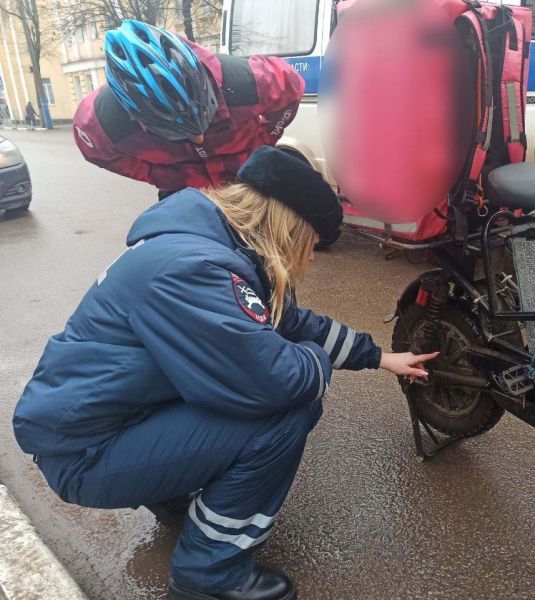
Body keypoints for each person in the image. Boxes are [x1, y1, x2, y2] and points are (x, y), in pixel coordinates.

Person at [13, 146, 436, 600]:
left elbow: (286, 320)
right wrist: (315, 359)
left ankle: (174, 495)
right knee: (285, 414)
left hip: (108, 423)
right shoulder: (193, 269)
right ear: (289, 228)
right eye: (312, 245)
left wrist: (377, 357)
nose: (311, 259)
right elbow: (275, 380)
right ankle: (209, 576)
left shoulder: (210, 243)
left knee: (235, 383)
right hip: (87, 453)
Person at [72, 19, 305, 201]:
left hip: (243, 183)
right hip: (181, 192)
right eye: (175, 131)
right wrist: (157, 174)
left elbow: (293, 88)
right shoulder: (102, 123)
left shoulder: (250, 82)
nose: (199, 137)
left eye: (207, 114)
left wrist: (263, 142)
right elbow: (99, 155)